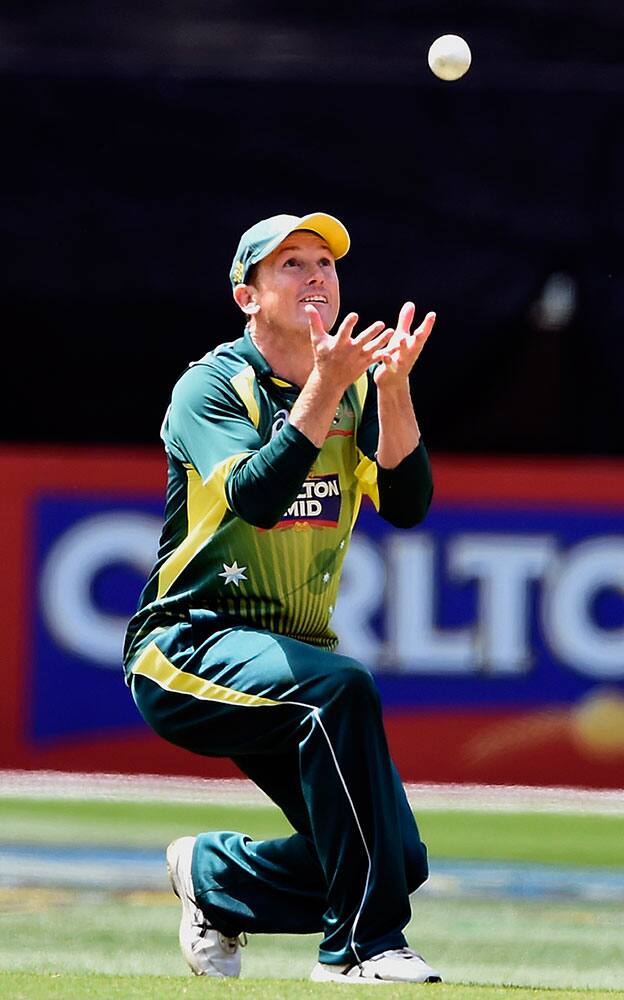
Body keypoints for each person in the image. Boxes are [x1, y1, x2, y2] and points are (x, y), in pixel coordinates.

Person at [122, 211, 440, 983]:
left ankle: (216, 879)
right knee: (343, 689)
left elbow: (406, 506)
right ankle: (360, 951)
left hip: (286, 658)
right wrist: (327, 387)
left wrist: (391, 390)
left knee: (398, 859)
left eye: (325, 263)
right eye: (291, 264)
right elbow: (259, 500)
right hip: (187, 646)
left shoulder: (358, 386)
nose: (315, 276)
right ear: (247, 296)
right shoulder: (210, 387)